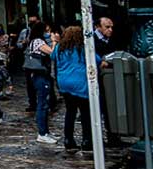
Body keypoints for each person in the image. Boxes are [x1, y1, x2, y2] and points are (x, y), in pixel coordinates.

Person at [52, 26, 99, 151]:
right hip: (80, 83)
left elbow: (52, 57)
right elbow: (97, 60)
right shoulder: (83, 48)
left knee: (70, 111)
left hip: (64, 82)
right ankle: (87, 140)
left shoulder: (59, 48)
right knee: (85, 112)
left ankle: (68, 139)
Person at [94, 17, 124, 147]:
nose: (110, 30)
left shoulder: (112, 40)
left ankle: (113, 135)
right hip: (97, 79)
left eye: (111, 27)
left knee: (110, 107)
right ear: (98, 27)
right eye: (107, 27)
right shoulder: (92, 41)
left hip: (110, 77)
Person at [26, 21, 57, 144]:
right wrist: (54, 41)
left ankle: (46, 131)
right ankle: (42, 133)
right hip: (39, 75)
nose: (48, 33)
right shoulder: (38, 42)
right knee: (42, 103)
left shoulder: (39, 41)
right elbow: (52, 53)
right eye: (47, 30)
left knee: (45, 102)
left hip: (43, 74)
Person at [19, 15, 40, 111]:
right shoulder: (25, 32)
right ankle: (32, 102)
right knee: (29, 83)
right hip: (28, 59)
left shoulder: (41, 32)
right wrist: (23, 43)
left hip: (40, 61)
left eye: (34, 22)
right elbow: (18, 44)